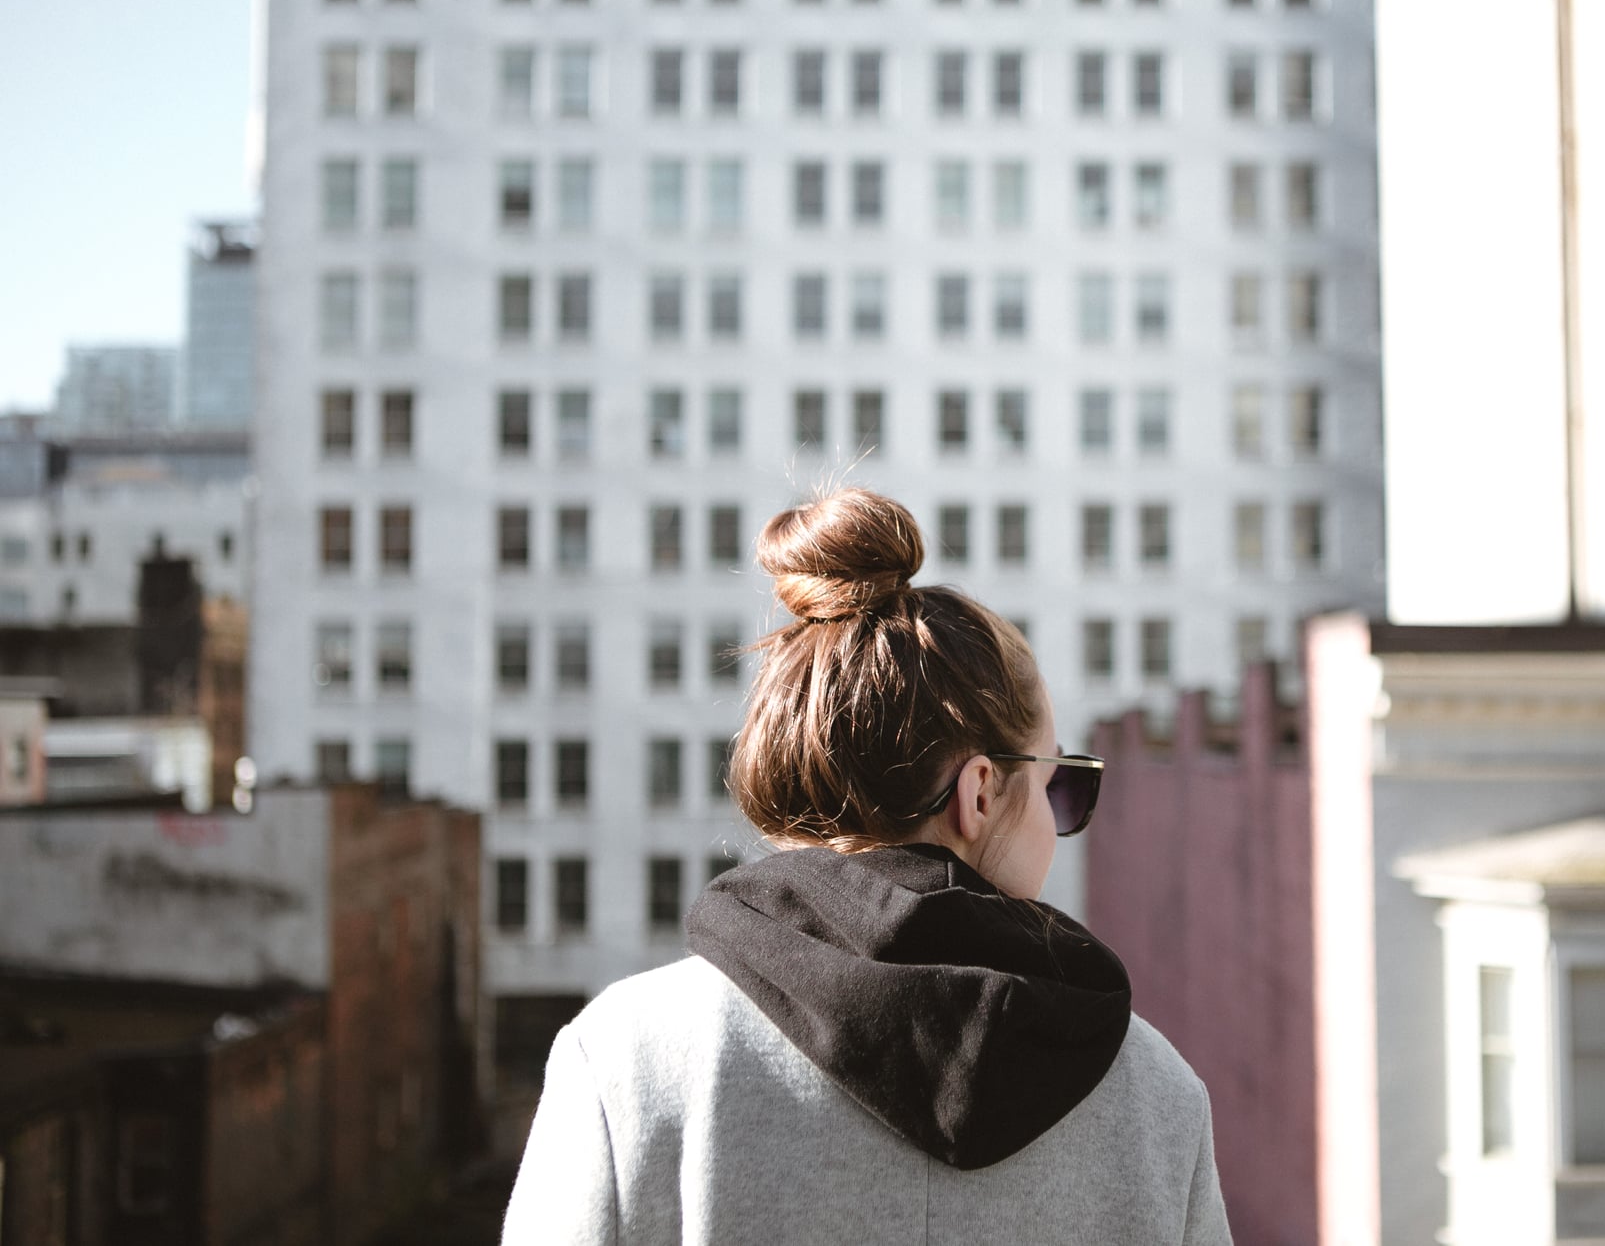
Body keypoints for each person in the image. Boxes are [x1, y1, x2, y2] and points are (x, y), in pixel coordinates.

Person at [501, 487, 1232, 1245]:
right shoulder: (1154, 1098)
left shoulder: (628, 1061)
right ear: (979, 792)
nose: (1064, 819)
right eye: (1060, 784)